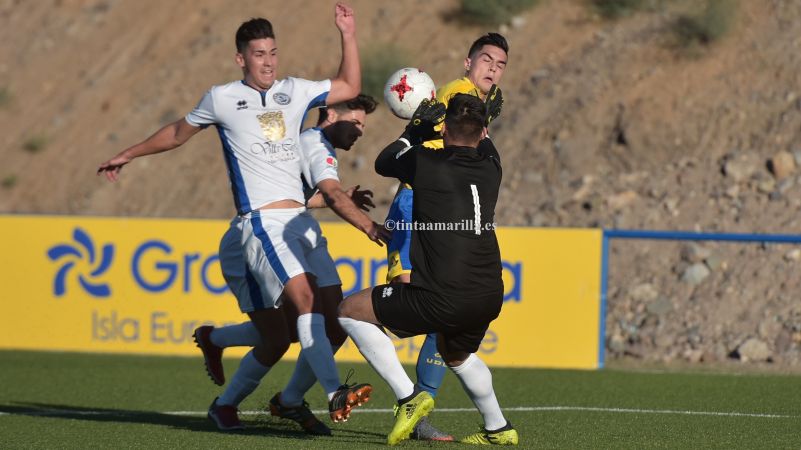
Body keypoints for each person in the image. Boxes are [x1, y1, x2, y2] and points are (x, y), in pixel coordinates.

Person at [97, 3, 387, 432]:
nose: (268, 61)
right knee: (303, 302)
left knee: (325, 319)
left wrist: (348, 32)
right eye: (259, 54)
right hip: (262, 223)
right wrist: (129, 153)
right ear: (241, 59)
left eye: (272, 52)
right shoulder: (222, 98)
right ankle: (331, 392)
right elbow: (177, 133)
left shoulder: (295, 90)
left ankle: (235, 390)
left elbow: (349, 84)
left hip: (302, 225)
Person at [193, 94, 379, 436]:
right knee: (278, 338)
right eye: (355, 123)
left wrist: (335, 198)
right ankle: (226, 402)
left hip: (299, 228)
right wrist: (367, 224)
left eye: (363, 126)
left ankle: (289, 398)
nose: (360, 132)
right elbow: (331, 194)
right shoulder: (313, 142)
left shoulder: (316, 144)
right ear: (330, 114)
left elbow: (303, 196)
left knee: (333, 322)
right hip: (251, 241)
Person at [338, 94, 518, 446]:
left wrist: (413, 131)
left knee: (348, 311)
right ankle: (499, 428)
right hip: (488, 295)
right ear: (483, 132)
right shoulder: (492, 165)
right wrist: (486, 125)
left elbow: (385, 161)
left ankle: (409, 398)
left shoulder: (425, 162)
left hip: (442, 296)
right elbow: (485, 143)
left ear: (445, 129)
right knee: (457, 355)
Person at [382, 32, 508, 441]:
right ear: (467, 62)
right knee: (390, 312)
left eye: (500, 64)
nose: (493, 68)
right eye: (486, 59)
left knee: (434, 318)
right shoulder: (458, 93)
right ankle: (319, 383)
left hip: (435, 210)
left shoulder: (476, 102)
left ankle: (419, 408)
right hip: (416, 207)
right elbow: (447, 143)